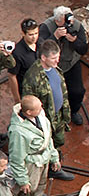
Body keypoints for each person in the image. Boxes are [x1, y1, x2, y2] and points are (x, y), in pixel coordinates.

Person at [8, 95, 62, 196]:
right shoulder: (18, 131)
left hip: (43, 160)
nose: (42, 109)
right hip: (30, 165)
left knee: (40, 189)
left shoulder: (40, 116)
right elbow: (17, 158)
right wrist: (23, 180)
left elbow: (48, 138)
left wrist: (54, 157)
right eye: (38, 108)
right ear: (29, 112)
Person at [21, 39, 74, 181]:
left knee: (58, 141)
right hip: (45, 122)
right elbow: (29, 105)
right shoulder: (32, 77)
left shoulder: (55, 69)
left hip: (58, 117)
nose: (57, 61)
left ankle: (55, 164)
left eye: (58, 57)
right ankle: (49, 170)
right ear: (43, 58)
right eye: (54, 58)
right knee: (46, 146)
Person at [38, 6, 88, 126]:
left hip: (70, 63)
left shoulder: (77, 25)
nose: (68, 24)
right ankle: (50, 115)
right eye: (63, 22)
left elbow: (83, 49)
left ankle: (73, 111)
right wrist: (55, 37)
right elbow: (40, 50)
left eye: (69, 21)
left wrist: (74, 40)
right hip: (52, 66)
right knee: (51, 93)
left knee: (77, 91)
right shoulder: (46, 27)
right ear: (56, 21)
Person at [8, 18, 39, 104]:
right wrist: (17, 99)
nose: (34, 37)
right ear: (23, 34)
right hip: (27, 91)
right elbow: (12, 76)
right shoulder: (17, 53)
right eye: (30, 34)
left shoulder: (40, 43)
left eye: (36, 33)